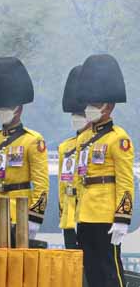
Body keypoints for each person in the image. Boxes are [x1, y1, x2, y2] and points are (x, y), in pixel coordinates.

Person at [74, 54, 134, 287]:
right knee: (93, 274)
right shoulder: (84, 139)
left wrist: (122, 217)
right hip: (85, 213)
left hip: (108, 216)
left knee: (111, 273)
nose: (88, 109)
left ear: (107, 107)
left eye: (94, 105)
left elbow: (125, 180)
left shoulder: (118, 138)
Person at [0, 57, 49, 238]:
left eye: (6, 108)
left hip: (21, 212)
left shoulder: (32, 141)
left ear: (18, 109)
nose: (1, 112)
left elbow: (41, 184)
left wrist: (35, 217)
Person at [59, 66, 88, 249]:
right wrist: (63, 215)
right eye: (74, 115)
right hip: (69, 216)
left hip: (90, 213)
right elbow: (63, 185)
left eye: (81, 115)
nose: (77, 118)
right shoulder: (65, 147)